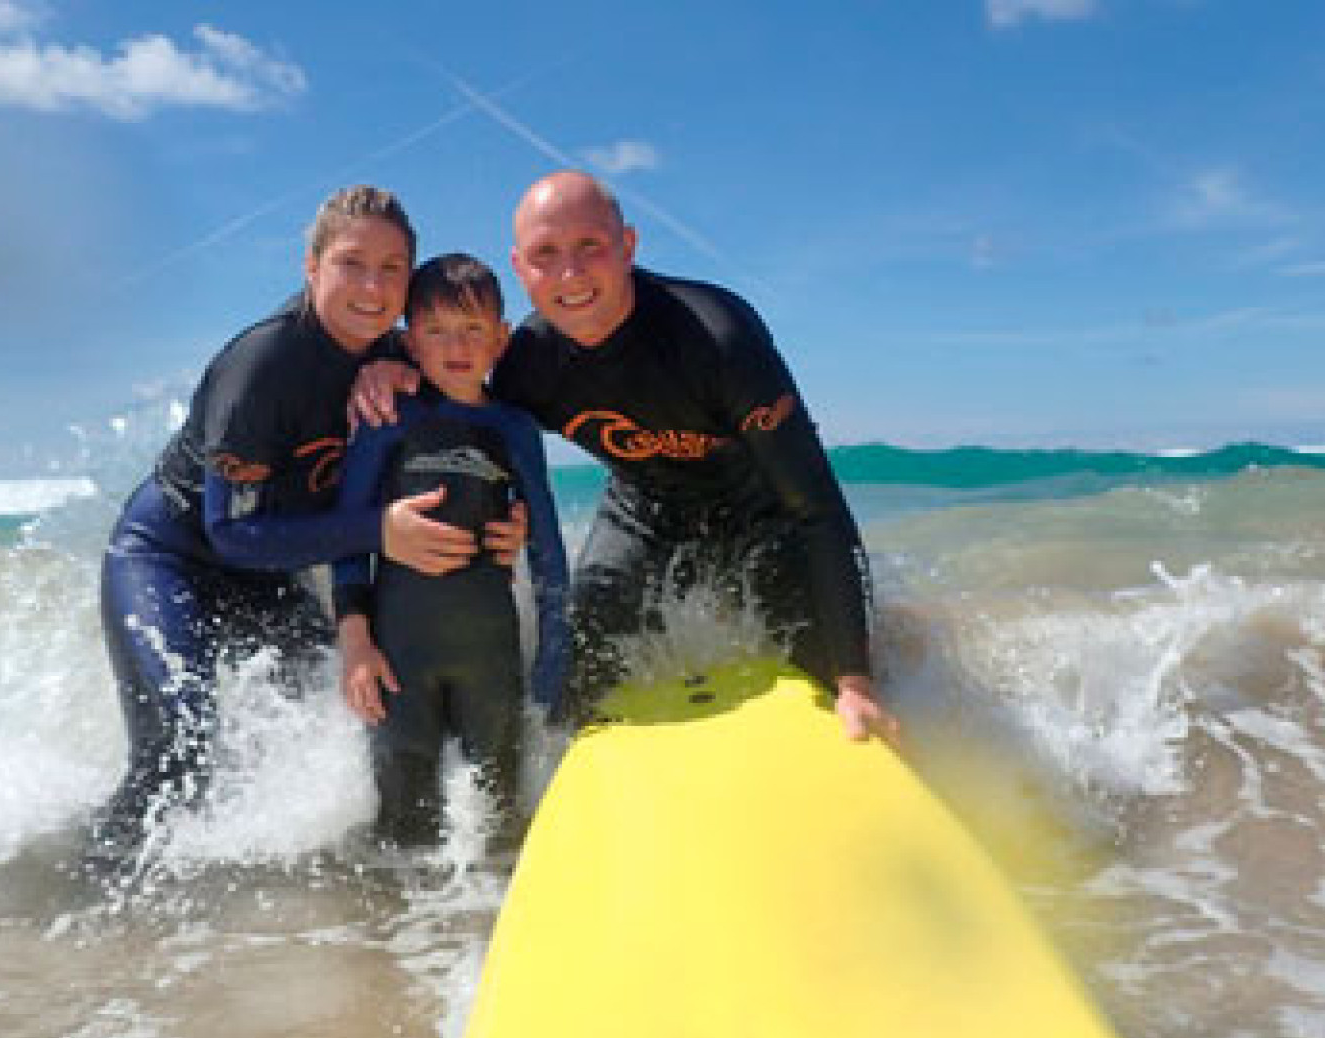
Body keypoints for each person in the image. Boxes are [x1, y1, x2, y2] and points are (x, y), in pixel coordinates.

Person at [353, 170, 898, 743]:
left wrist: (855, 681)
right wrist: (390, 364)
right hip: (644, 512)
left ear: (628, 246)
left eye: (589, 246)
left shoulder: (718, 338)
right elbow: (457, 385)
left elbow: (816, 508)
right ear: (521, 268)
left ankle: (891, 645)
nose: (570, 274)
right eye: (546, 254)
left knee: (827, 672)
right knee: (580, 673)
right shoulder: (528, 364)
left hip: (763, 515)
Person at [92, 185, 526, 854]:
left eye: (391, 269)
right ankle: (100, 879)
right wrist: (379, 531)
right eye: (351, 264)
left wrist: (511, 517)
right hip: (171, 555)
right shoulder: (262, 367)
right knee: (179, 746)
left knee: (339, 713)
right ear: (311, 266)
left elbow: (480, 427)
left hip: (270, 573)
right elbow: (230, 533)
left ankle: (304, 884)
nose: (372, 287)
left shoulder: (406, 353)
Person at [332, 253, 570, 851]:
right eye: (436, 330)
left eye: (472, 328)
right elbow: (348, 536)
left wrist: (554, 656)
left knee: (501, 821)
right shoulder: (387, 418)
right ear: (410, 342)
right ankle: (388, 915)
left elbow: (546, 546)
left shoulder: (515, 428)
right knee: (402, 828)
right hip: (399, 658)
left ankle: (493, 911)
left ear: (500, 339)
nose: (456, 345)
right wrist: (356, 643)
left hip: (490, 655)